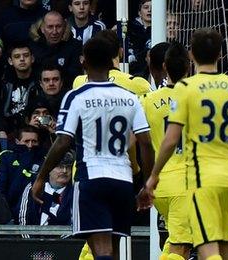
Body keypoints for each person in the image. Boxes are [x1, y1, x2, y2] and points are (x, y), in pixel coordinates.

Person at [138, 28, 228, 260]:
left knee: (206, 249)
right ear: (220, 55)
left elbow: (170, 140)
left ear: (192, 56)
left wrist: (152, 177)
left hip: (200, 179)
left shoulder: (185, 90)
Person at [30, 37, 154, 259]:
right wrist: (148, 183)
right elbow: (145, 142)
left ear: (83, 62)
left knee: (101, 251)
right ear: (112, 63)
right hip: (123, 179)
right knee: (113, 250)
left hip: (92, 177)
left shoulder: (76, 96)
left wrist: (41, 176)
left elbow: (62, 141)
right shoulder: (130, 98)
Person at [139, 42, 192, 260]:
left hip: (159, 183)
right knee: (182, 247)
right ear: (188, 67)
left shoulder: (146, 101)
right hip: (185, 183)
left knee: (173, 242)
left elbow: (136, 139)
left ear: (165, 67)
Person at [0, 126, 45, 220]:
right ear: (17, 142)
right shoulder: (6, 157)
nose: (30, 145)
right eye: (26, 141)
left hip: (34, 213)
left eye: (34, 141)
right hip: (8, 213)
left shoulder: (44, 160)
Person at [19, 151, 74, 226]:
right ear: (48, 169)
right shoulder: (33, 187)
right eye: (59, 167)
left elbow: (74, 223)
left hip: (66, 237)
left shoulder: (75, 192)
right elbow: (23, 219)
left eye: (68, 167)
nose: (64, 171)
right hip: (33, 236)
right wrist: (29, 238)